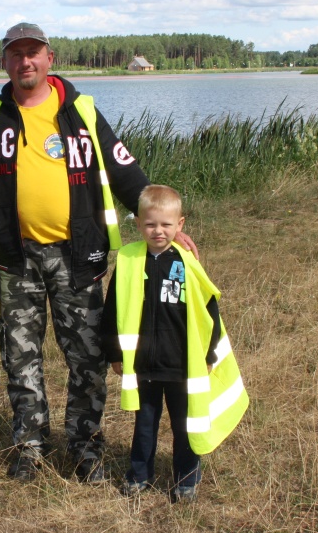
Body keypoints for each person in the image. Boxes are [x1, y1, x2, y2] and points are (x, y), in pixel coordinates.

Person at [0, 22, 195, 482]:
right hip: (15, 258)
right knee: (20, 358)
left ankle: (85, 447)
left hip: (77, 257)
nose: (25, 61)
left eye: (33, 52)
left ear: (49, 58)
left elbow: (124, 171)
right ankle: (30, 447)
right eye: (16, 54)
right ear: (4, 62)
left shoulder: (81, 110)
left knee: (87, 358)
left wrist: (161, 222)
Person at [101, 185, 248, 501]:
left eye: (166, 224)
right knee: (144, 424)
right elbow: (112, 308)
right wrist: (115, 353)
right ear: (138, 224)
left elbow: (208, 310)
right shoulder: (127, 260)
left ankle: (186, 479)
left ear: (180, 225)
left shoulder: (187, 262)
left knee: (185, 425)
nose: (158, 231)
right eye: (150, 224)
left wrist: (209, 354)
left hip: (182, 363)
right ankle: (139, 475)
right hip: (143, 365)